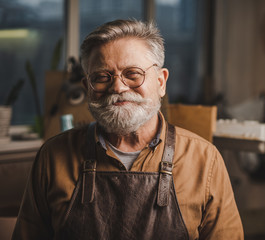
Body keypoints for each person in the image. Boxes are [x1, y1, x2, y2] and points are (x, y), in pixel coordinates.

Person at [12, 19, 243, 240]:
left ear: (161, 82)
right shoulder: (52, 157)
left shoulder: (204, 160)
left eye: (132, 74)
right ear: (87, 87)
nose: (118, 87)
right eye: (102, 77)